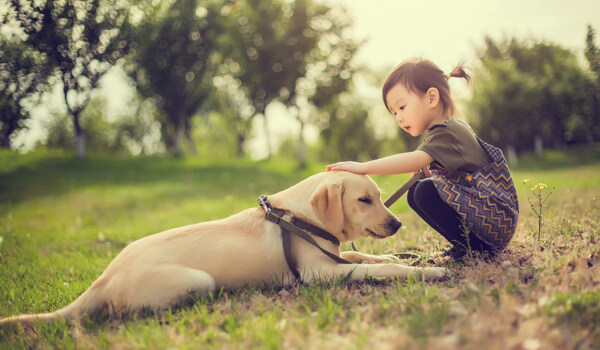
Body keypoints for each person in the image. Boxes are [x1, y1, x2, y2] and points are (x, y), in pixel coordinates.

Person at [326, 58, 519, 262]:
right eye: (394, 113)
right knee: (418, 190)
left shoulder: (449, 131)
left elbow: (415, 159)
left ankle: (478, 249)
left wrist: (364, 167)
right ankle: (467, 246)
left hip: (496, 217)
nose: (399, 118)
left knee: (424, 191)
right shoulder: (445, 131)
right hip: (492, 217)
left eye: (402, 107)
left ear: (431, 98)